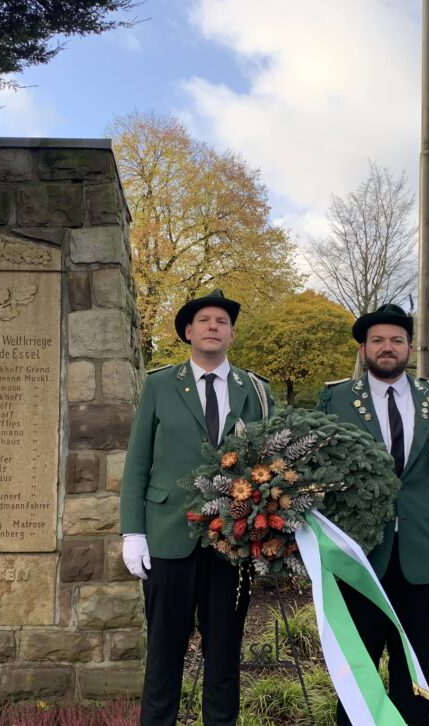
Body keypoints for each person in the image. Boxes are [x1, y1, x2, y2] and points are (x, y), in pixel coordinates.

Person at [316, 303, 429, 726]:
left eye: (396, 340)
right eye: (377, 341)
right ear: (363, 349)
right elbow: (313, 472)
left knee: (413, 667)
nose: (387, 347)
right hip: (359, 555)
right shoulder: (335, 398)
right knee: (359, 665)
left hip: (420, 552)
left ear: (409, 347)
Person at [120, 289, 275, 726]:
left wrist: (269, 534)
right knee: (164, 654)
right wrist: (133, 531)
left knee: (224, 653)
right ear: (188, 332)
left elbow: (273, 465)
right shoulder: (159, 384)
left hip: (233, 541)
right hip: (169, 537)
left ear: (231, 334)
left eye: (221, 322)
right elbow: (138, 463)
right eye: (204, 320)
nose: (213, 326)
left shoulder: (257, 391)